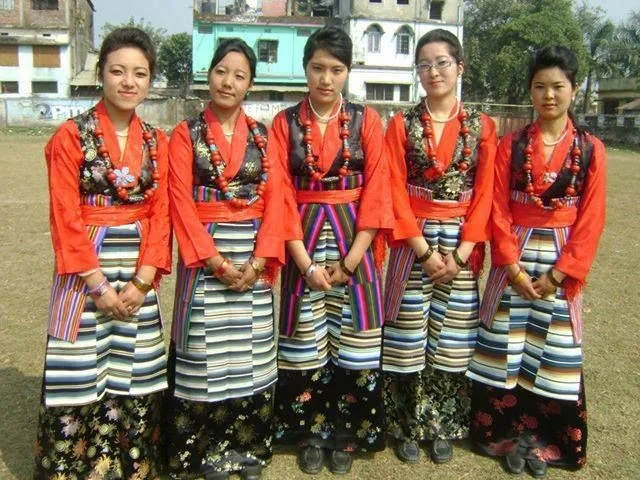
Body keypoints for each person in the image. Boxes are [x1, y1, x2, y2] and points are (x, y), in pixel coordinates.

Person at [33, 27, 171, 479]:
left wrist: (143, 280)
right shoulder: (70, 136)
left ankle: (129, 465)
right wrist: (97, 284)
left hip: (136, 270)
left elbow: (162, 212)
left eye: (140, 73)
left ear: (150, 79)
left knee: (134, 366)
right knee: (78, 366)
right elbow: (64, 215)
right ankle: (72, 466)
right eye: (118, 71)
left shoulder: (157, 140)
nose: (129, 82)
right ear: (100, 74)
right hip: (86, 270)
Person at [466, 45, 606, 478]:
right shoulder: (511, 145)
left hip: (560, 259)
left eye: (558, 86)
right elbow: (497, 206)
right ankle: (503, 437)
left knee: (554, 349)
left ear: (574, 89)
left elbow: (592, 217)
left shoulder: (591, 148)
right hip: (516, 257)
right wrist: (511, 266)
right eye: (540, 86)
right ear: (530, 91)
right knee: (505, 345)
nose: (549, 95)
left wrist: (561, 273)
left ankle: (545, 442)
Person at [271, 26, 393, 475]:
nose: (326, 78)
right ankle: (309, 432)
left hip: (354, 241)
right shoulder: (284, 123)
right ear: (305, 68)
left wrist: (352, 260)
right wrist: (304, 264)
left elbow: (378, 190)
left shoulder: (367, 120)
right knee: (304, 338)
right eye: (318, 68)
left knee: (356, 338)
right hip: (301, 241)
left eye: (336, 69)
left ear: (348, 71)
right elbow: (279, 195)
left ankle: (349, 433)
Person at [165, 38, 284, 480]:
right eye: (221, 71)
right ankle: (204, 453)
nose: (228, 82)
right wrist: (214, 261)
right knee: (204, 353)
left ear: (250, 84)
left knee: (249, 355)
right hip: (206, 257)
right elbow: (179, 200)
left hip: (252, 256)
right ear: (208, 74)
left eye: (239, 75)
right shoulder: (185, 134)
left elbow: (277, 199)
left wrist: (260, 261)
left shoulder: (263, 136)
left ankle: (246, 450)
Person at [381, 29, 497, 465]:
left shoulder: (482, 126)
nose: (433, 72)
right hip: (414, 241)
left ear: (460, 67)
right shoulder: (401, 124)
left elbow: (485, 194)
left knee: (452, 334)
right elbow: (394, 189)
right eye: (424, 65)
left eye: (442, 62)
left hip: (462, 243)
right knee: (408, 332)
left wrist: (462, 254)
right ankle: (404, 423)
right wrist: (424, 251)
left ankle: (443, 424)